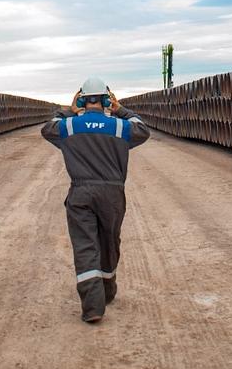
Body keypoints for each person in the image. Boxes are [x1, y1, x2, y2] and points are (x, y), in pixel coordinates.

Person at [41, 76, 150, 323]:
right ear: (106, 100)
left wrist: (69, 110)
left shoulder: (69, 127)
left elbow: (48, 128)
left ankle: (93, 306)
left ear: (81, 99)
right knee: (109, 242)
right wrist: (121, 109)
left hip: (81, 192)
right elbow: (142, 129)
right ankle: (107, 291)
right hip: (112, 194)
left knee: (85, 245)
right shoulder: (120, 127)